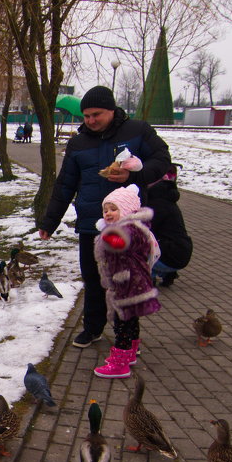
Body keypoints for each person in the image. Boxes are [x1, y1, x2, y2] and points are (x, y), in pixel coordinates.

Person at [36, 85, 172, 347]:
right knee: (92, 278)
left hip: (127, 227)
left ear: (112, 110)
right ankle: (93, 327)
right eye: (86, 116)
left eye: (96, 114)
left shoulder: (137, 131)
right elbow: (65, 184)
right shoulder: (78, 143)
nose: (90, 121)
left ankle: (129, 339)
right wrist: (49, 222)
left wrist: (133, 176)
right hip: (90, 223)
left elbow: (162, 159)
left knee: (127, 281)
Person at [91, 186, 160, 379]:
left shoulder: (128, 229)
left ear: (127, 210)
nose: (108, 213)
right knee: (130, 316)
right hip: (131, 280)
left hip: (127, 282)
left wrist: (108, 237)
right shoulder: (132, 227)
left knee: (122, 320)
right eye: (105, 210)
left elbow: (122, 242)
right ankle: (130, 350)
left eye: (114, 209)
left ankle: (120, 363)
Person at [142, 164, 192, 286]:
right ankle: (168, 273)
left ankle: (149, 276)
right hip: (180, 251)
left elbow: (145, 230)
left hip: (171, 254)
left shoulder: (156, 203)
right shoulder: (166, 198)